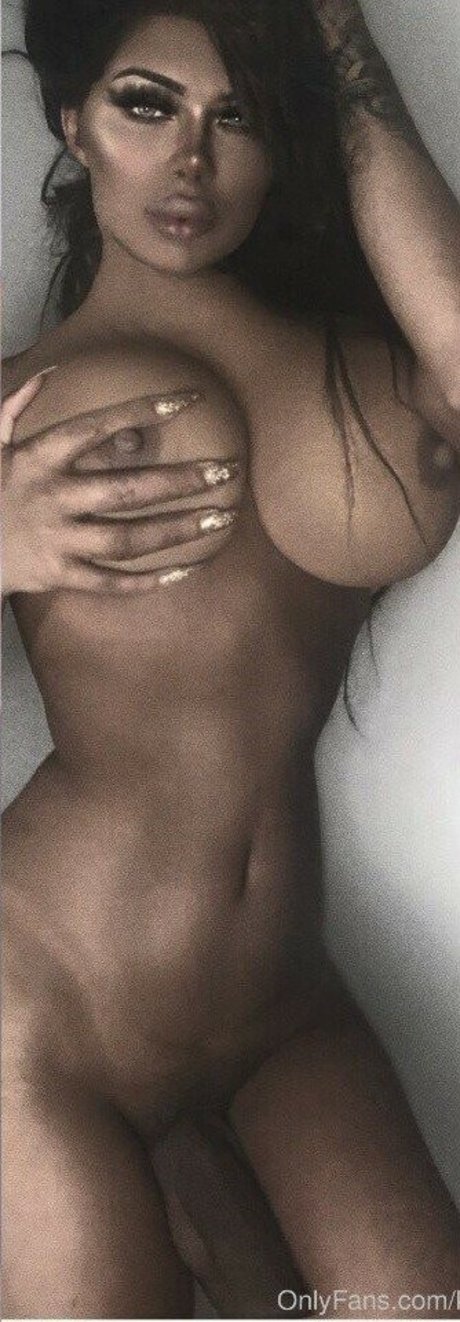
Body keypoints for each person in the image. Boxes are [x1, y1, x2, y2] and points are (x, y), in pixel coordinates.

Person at [2, 0, 460, 1317]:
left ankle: (201, 1190)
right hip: (46, 1016)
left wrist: (337, 31)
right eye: (147, 105)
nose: (191, 161)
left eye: (238, 118)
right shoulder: (13, 397)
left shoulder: (368, 371)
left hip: (279, 1011)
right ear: (73, 120)